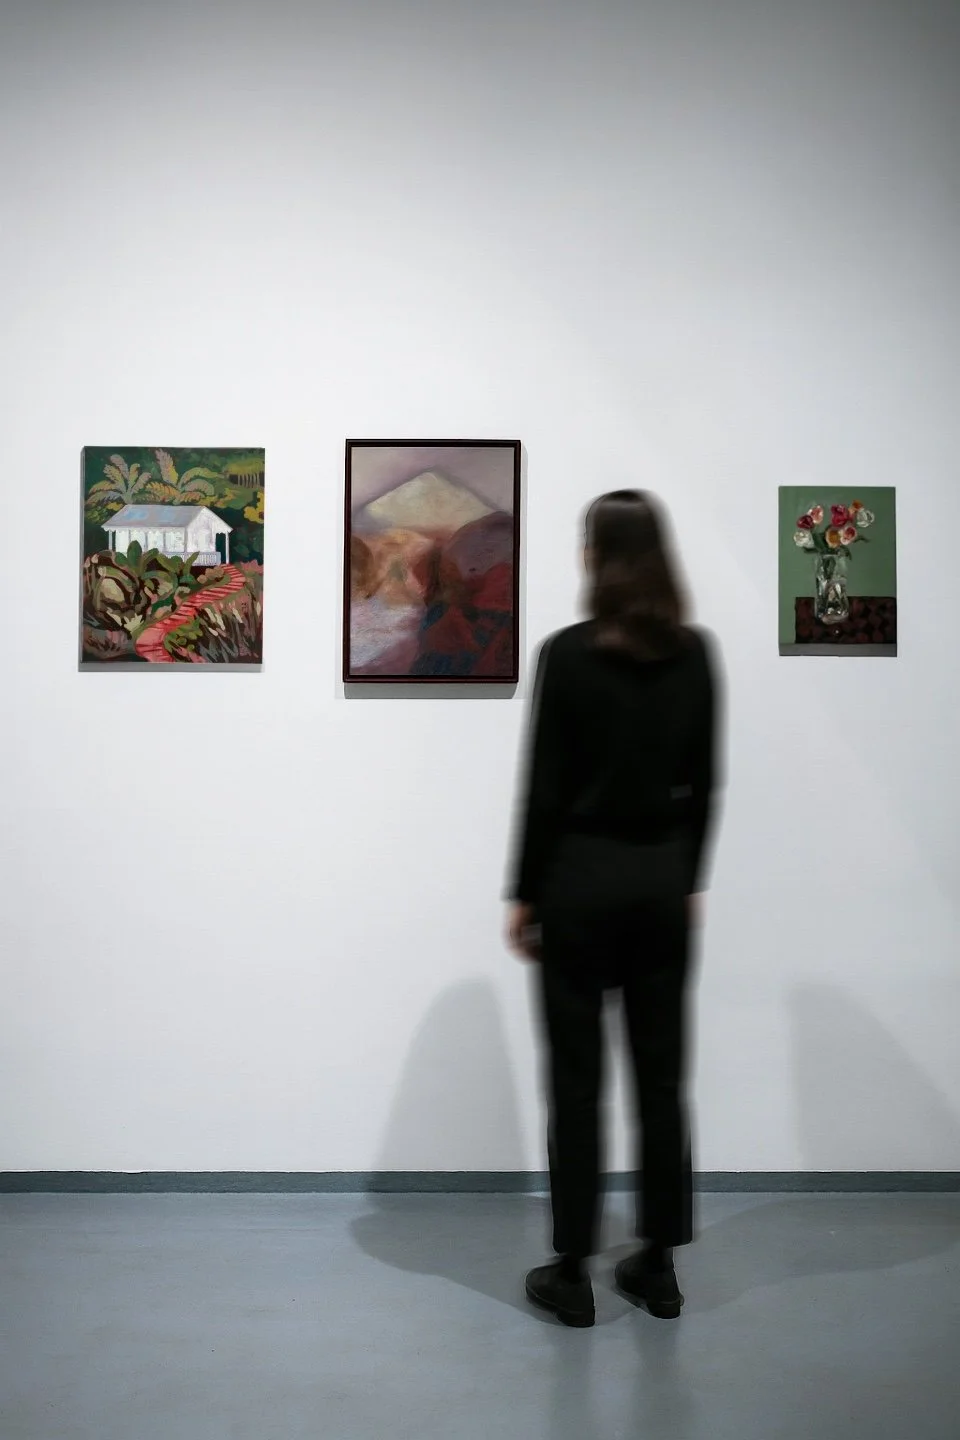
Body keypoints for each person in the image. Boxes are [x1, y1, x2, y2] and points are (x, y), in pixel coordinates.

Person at [506, 489, 721, 1328]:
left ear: (595, 557)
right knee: (663, 1081)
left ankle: (571, 1271)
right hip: (661, 886)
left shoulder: (567, 654)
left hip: (578, 882)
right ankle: (659, 1266)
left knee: (577, 1080)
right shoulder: (697, 655)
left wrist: (523, 893)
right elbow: (707, 784)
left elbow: (545, 791)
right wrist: (687, 877)